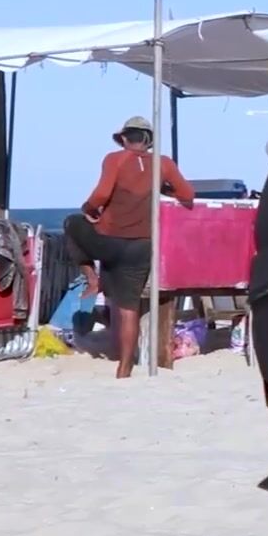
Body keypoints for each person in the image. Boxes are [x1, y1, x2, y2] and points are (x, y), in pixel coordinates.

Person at [64, 116, 196, 377]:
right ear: (149, 141)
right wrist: (161, 189)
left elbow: (101, 194)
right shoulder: (163, 164)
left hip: (109, 241)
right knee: (128, 309)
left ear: (124, 138)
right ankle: (125, 368)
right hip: (141, 246)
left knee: (72, 223)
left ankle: (91, 278)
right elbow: (188, 195)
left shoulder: (115, 159)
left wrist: (88, 209)